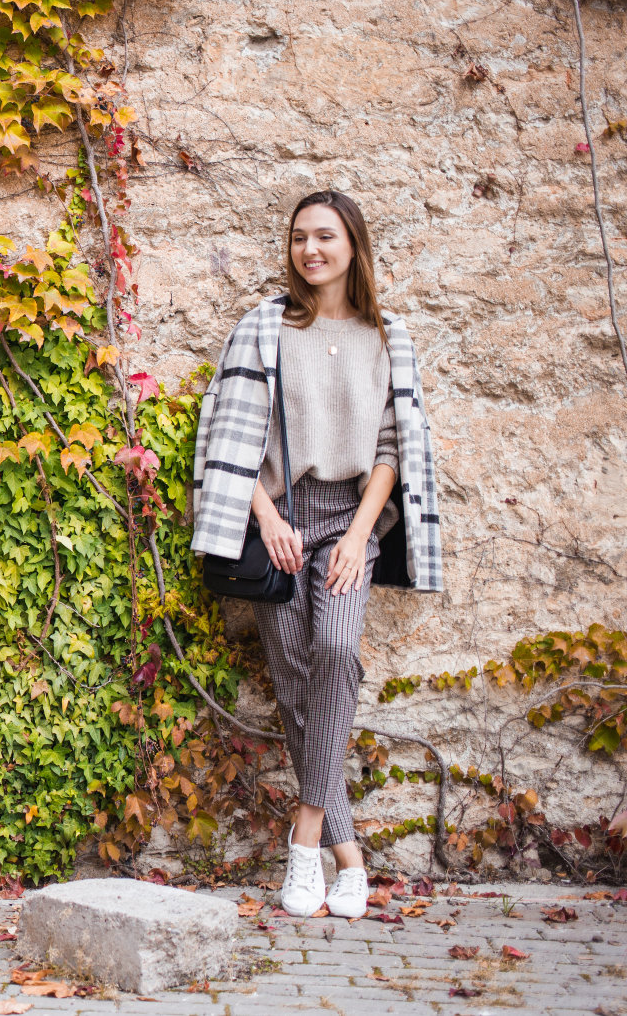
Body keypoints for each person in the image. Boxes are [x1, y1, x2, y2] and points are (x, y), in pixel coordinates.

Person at [189, 190, 443, 918]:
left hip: (351, 518)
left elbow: (394, 448)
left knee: (335, 649)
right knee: (294, 677)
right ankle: (349, 853)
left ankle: (307, 833)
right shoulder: (265, 327)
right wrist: (266, 516)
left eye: (326, 236)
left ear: (352, 245)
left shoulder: (387, 336)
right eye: (300, 237)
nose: (311, 250)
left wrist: (362, 535)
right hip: (282, 518)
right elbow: (226, 433)